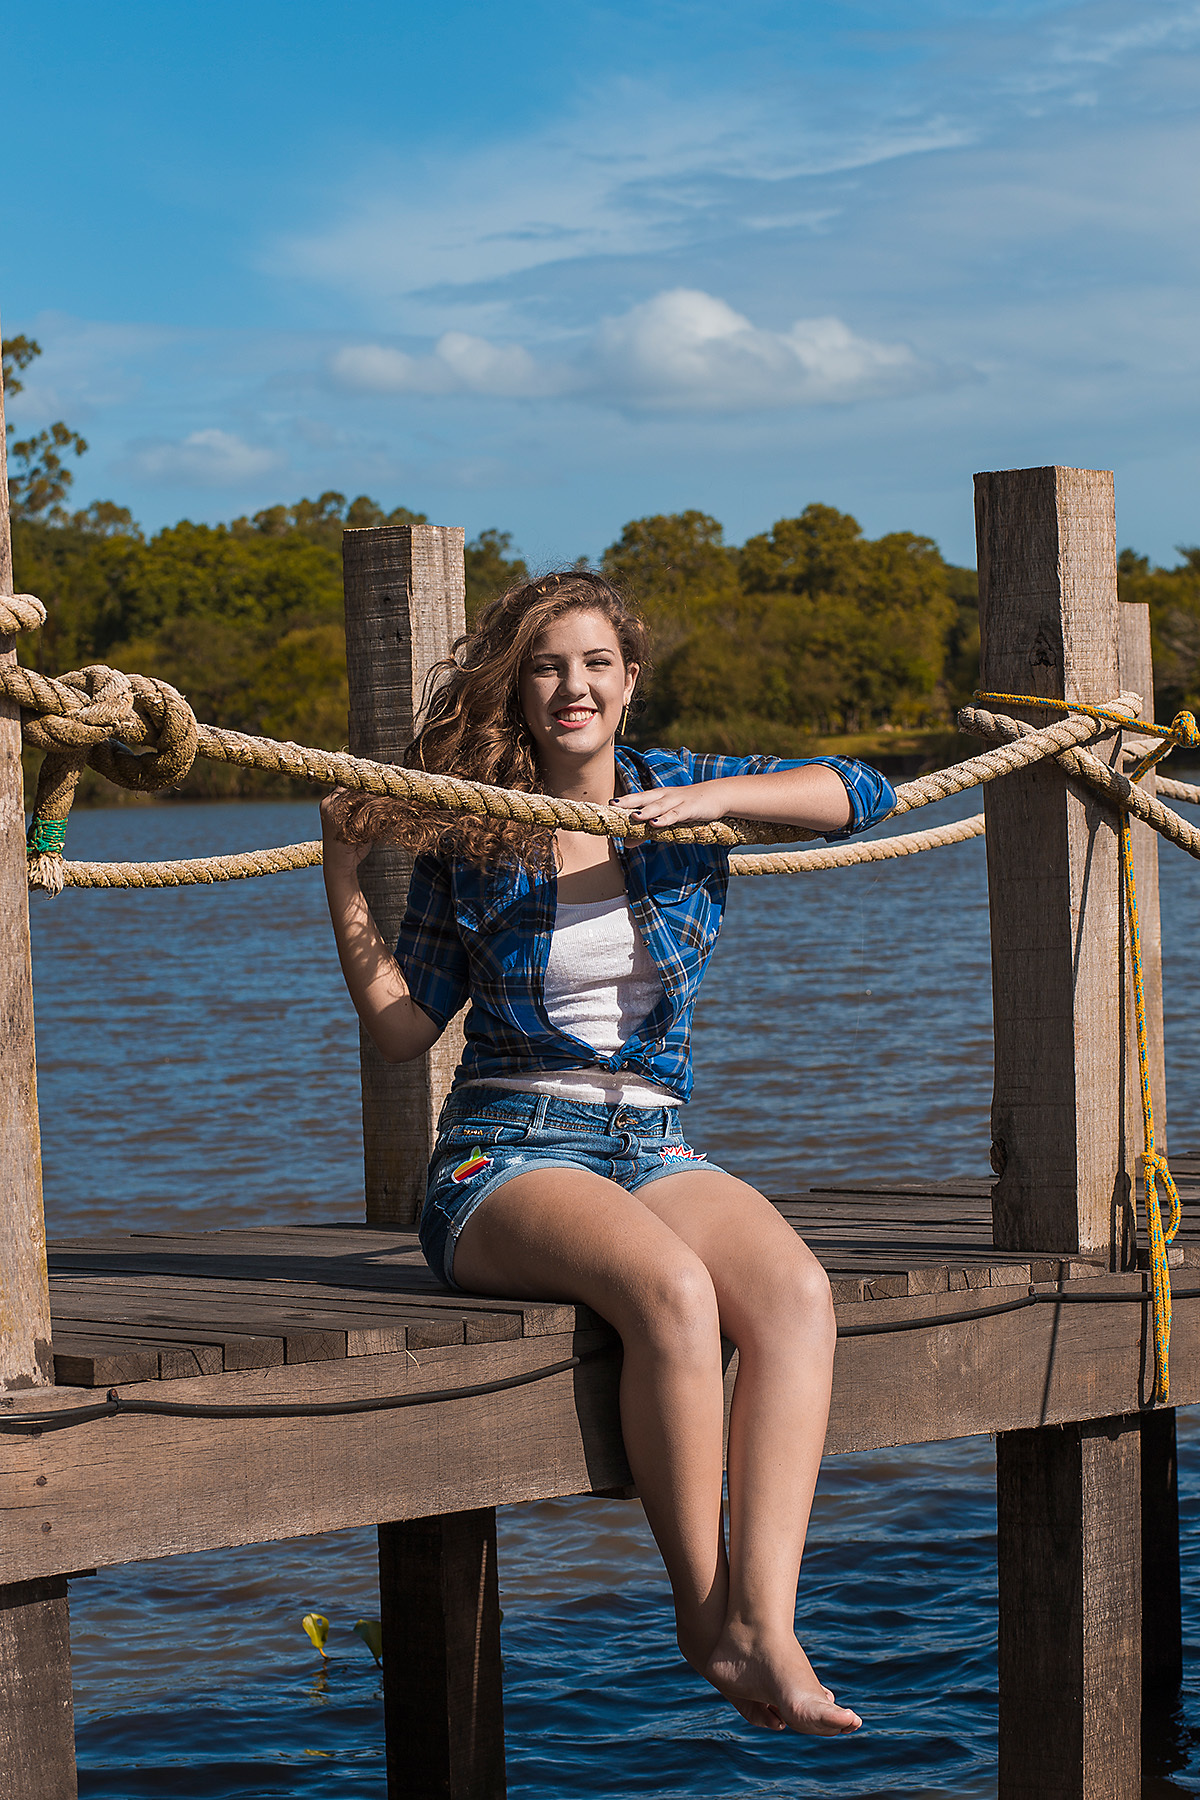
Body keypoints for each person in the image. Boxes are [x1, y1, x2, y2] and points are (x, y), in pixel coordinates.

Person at [321, 569, 895, 1737]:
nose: (570, 686)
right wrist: (342, 877)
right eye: (544, 666)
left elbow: (865, 790)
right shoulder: (475, 835)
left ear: (630, 682)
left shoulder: (685, 793)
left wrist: (712, 803)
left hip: (653, 1140)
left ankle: (769, 1626)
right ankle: (704, 1619)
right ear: (518, 691)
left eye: (593, 663)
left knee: (793, 1294)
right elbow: (400, 1033)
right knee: (673, 1293)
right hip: (502, 1154)